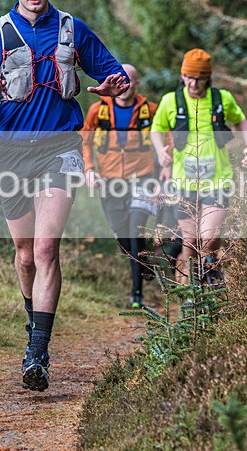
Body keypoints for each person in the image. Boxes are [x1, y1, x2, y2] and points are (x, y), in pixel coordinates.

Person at [0, 0, 129, 392]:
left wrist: (114, 86)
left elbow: (120, 75)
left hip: (60, 148)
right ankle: (33, 321)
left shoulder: (72, 29)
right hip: (11, 152)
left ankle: (38, 352)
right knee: (24, 255)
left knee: (46, 248)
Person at [150, 48, 247, 287]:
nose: (193, 83)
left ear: (207, 77)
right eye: (188, 77)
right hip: (183, 183)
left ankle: (210, 272)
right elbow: (156, 128)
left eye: (198, 78)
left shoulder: (221, 99)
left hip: (217, 180)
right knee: (190, 241)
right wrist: (160, 150)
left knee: (208, 237)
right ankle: (189, 295)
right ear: (182, 75)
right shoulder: (171, 101)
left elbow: (240, 119)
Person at [81, 63, 159, 309]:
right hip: (110, 180)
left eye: (130, 80)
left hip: (143, 178)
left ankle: (136, 294)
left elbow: (166, 142)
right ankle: (145, 263)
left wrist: (164, 176)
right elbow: (84, 142)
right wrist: (89, 169)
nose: (124, 85)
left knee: (135, 230)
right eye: (121, 80)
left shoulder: (152, 111)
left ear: (137, 84)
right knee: (121, 234)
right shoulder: (97, 111)